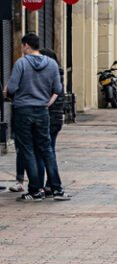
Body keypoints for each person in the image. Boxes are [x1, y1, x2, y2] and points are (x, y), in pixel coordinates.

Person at [3, 33, 69, 201]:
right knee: (46, 149)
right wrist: (46, 103)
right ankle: (58, 189)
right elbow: (57, 88)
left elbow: (12, 87)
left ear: (26, 46)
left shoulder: (21, 63)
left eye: (22, 46)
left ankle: (35, 190)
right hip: (42, 111)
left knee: (27, 149)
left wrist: (9, 92)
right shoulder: (52, 64)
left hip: (23, 110)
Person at [37, 48, 65, 197]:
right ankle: (50, 184)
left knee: (43, 153)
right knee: (50, 151)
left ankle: (41, 186)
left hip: (47, 119)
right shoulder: (58, 74)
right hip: (56, 119)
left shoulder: (48, 75)